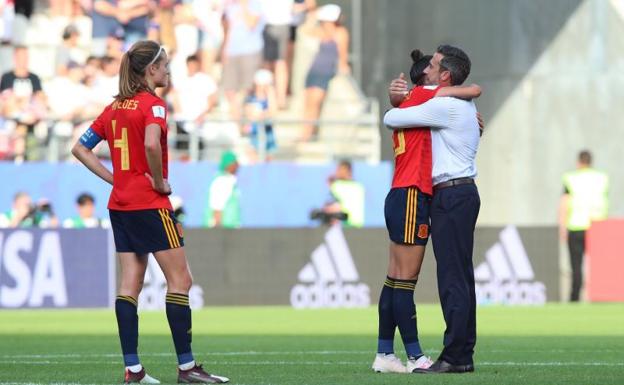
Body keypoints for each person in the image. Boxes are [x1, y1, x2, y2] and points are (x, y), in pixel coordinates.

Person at [71, 40, 229, 384]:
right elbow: (150, 143)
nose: (168, 71)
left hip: (121, 204)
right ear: (151, 70)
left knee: (130, 285)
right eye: (165, 66)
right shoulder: (154, 105)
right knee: (180, 280)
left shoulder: (113, 109)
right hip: (150, 204)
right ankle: (187, 368)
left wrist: (115, 179)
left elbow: (80, 148)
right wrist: (158, 181)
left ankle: (133, 370)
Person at [373, 49, 481, 374]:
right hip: (426, 194)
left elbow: (392, 117)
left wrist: (405, 99)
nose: (432, 70)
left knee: (415, 279)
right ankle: (420, 355)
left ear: (444, 77)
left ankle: (451, 354)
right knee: (414, 279)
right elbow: (474, 91)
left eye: (436, 66)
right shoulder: (438, 104)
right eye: (431, 67)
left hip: (438, 193)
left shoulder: (439, 106)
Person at [559, 150, 609, 302]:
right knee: (598, 265)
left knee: (576, 265)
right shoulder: (602, 178)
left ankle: (575, 298)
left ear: (579, 162)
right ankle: (600, 296)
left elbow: (564, 202)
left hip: (576, 225)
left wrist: (562, 225)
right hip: (598, 225)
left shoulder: (571, 178)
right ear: (591, 162)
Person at [300, 3, 348, 141]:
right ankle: (307, 132)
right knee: (308, 104)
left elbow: (343, 57)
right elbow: (305, 30)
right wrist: (313, 16)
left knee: (314, 104)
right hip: (314, 71)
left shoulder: (341, 33)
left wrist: (342, 70)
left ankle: (307, 135)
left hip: (325, 73)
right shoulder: (321, 31)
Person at [0, 45, 47, 162]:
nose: (23, 60)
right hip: (12, 115)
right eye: (20, 57)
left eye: (25, 57)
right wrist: (21, 101)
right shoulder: (7, 77)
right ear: (15, 58)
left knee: (23, 127)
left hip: (30, 116)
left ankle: (20, 159)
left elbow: (40, 98)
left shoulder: (34, 78)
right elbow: (6, 100)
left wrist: (26, 101)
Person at [243, 68, 277, 161]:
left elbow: (273, 113)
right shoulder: (251, 98)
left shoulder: (269, 98)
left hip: (267, 133)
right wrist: (263, 115)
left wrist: (270, 94)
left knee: (268, 160)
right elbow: (251, 115)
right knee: (253, 158)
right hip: (254, 133)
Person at [322, 159, 364, 228]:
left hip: (347, 227)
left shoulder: (337, 185)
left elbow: (336, 207)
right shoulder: (359, 186)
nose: (337, 172)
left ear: (347, 170)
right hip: (356, 227)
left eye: (339, 169)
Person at [204, 150, 241, 228]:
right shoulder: (222, 181)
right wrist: (218, 233)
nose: (238, 166)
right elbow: (217, 206)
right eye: (235, 163)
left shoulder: (230, 181)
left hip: (229, 230)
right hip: (224, 231)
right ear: (228, 164)